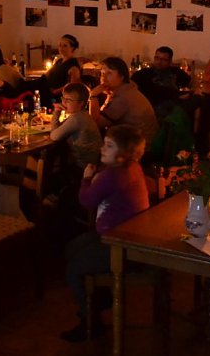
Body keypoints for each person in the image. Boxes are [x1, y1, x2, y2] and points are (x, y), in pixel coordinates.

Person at [61, 126, 149, 343]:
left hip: (120, 243)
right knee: (71, 248)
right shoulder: (132, 167)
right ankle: (99, 297)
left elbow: (86, 201)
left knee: (73, 269)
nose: (102, 148)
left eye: (109, 146)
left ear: (123, 154)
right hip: (124, 235)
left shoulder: (112, 175)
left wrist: (86, 178)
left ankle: (91, 321)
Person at [88, 57, 158, 144]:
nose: (104, 78)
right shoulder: (125, 89)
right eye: (102, 73)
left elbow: (97, 123)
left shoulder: (123, 97)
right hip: (131, 140)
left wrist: (93, 96)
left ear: (121, 77)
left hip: (136, 147)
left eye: (109, 73)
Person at [50, 82, 102, 170]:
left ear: (81, 103)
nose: (64, 102)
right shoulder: (83, 114)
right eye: (63, 98)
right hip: (94, 162)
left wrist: (56, 112)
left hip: (85, 167)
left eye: (69, 100)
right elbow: (58, 130)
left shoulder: (76, 119)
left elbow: (54, 136)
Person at [131, 46, 192, 118]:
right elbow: (132, 89)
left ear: (170, 62)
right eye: (157, 58)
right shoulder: (143, 74)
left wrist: (189, 93)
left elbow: (191, 83)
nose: (159, 62)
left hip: (175, 104)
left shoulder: (176, 72)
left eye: (164, 60)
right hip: (154, 106)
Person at [44, 34, 82, 100]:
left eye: (65, 46)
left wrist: (54, 92)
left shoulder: (73, 66)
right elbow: (47, 75)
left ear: (72, 48)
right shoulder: (59, 61)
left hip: (59, 97)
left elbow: (72, 86)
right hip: (48, 92)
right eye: (60, 45)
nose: (61, 48)